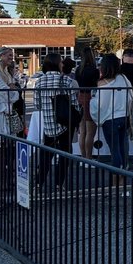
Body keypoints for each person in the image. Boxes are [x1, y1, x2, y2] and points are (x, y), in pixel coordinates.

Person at [33, 53, 76, 188]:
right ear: (58, 64)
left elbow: (37, 104)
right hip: (65, 122)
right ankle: (59, 183)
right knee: (65, 154)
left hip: (48, 124)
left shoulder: (39, 81)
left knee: (46, 154)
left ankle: (39, 182)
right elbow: (74, 103)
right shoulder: (67, 80)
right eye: (61, 62)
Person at [90, 53, 132, 171]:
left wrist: (92, 101)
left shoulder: (101, 83)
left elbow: (99, 105)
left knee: (114, 149)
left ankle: (116, 174)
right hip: (124, 116)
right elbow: (130, 97)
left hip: (109, 119)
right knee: (122, 146)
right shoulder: (123, 78)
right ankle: (124, 170)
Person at [74, 47, 100, 159]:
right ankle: (89, 158)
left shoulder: (78, 70)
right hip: (91, 97)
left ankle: (83, 156)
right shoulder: (94, 70)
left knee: (82, 130)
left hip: (80, 96)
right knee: (90, 131)